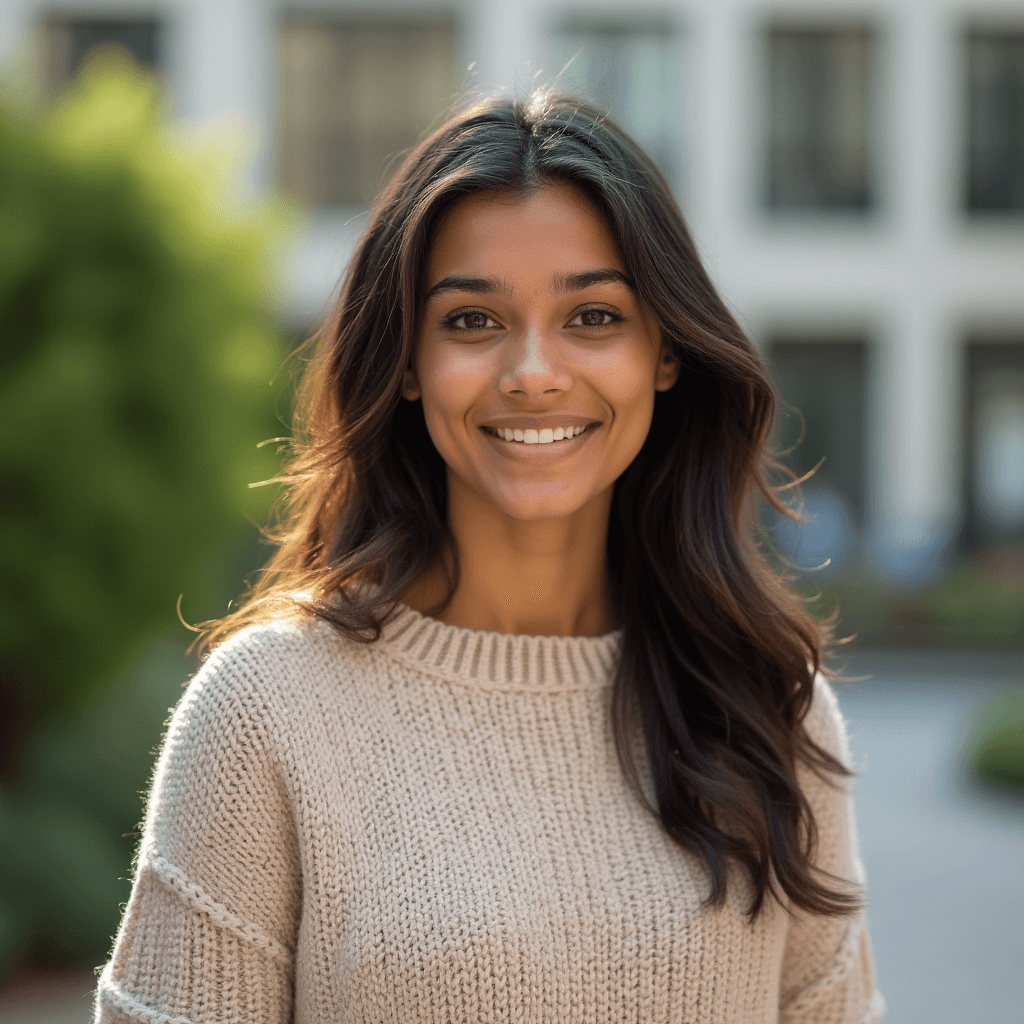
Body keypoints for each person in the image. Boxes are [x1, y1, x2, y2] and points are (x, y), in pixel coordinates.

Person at [93, 90, 885, 1023]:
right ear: (406, 362)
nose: (534, 372)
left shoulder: (770, 709)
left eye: (594, 316)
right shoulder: (265, 713)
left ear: (665, 352)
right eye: (472, 322)